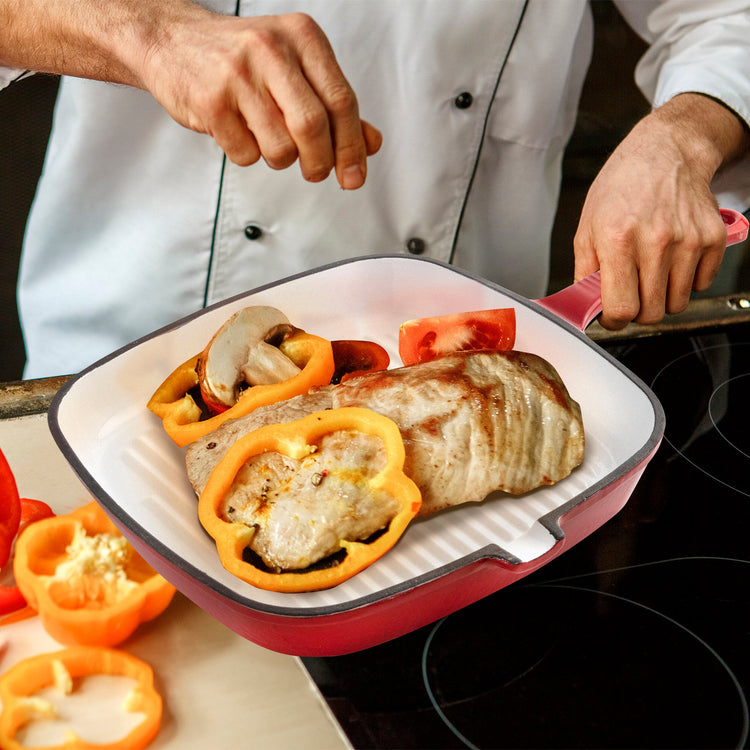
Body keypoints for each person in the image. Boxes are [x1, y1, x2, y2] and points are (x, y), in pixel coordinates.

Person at [1, 0, 749, 378]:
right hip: (127, 361)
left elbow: (725, 13)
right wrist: (145, 34)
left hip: (450, 372)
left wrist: (682, 136)